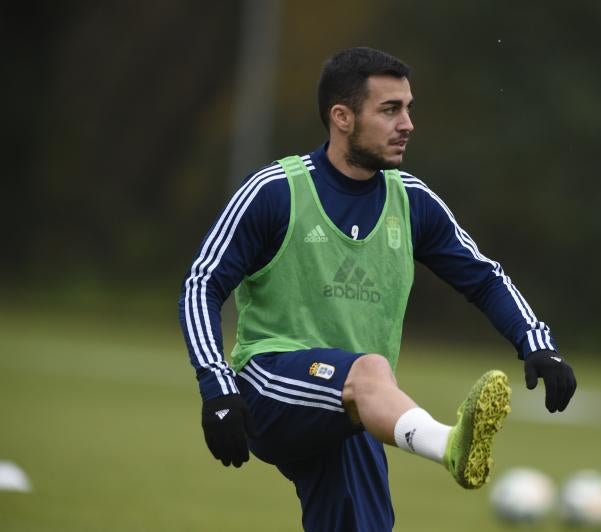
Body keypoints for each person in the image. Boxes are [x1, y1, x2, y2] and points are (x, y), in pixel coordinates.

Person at [178, 46, 576, 531]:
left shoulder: (411, 200)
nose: (407, 123)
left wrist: (538, 345)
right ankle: (449, 444)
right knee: (369, 370)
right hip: (271, 386)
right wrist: (217, 388)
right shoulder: (275, 191)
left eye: (408, 108)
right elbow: (201, 285)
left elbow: (484, 277)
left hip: (358, 409)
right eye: (390, 110)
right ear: (342, 117)